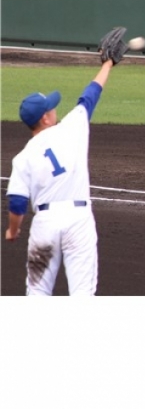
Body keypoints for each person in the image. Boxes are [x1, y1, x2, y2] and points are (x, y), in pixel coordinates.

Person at [4, 57, 116, 295]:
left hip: (45, 226)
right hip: (78, 222)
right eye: (51, 107)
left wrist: (13, 230)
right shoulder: (71, 128)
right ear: (45, 118)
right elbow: (90, 95)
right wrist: (107, 65)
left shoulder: (23, 157)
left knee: (37, 293)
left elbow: (17, 203)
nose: (55, 109)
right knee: (83, 295)